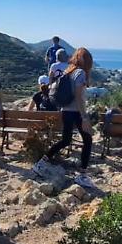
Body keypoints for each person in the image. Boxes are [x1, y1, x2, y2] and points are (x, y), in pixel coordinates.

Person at [35, 47, 95, 189]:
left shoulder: (70, 70)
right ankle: (83, 175)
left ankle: (41, 163)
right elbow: (79, 97)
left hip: (66, 110)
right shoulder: (80, 73)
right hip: (76, 111)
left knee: (66, 140)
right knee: (88, 140)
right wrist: (84, 117)